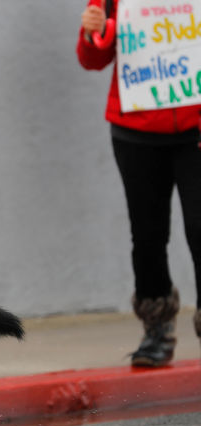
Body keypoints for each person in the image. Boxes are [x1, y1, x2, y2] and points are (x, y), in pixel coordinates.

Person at [77, 0, 201, 367]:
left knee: (200, 227)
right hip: (135, 132)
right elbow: (92, 57)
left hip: (196, 131)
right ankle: (157, 327)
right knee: (147, 236)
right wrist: (92, 30)